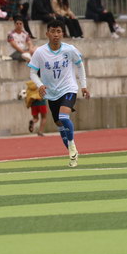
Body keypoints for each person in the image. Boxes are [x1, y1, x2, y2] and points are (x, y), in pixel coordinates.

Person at [29, 19, 91, 167]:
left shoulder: (70, 50)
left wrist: (83, 86)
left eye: (58, 31)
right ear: (47, 34)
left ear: (62, 34)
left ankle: (72, 145)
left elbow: (80, 65)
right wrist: (40, 85)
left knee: (63, 116)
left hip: (68, 88)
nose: (56, 34)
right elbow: (32, 72)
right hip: (52, 94)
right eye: (53, 31)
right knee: (59, 124)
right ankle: (72, 153)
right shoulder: (40, 52)